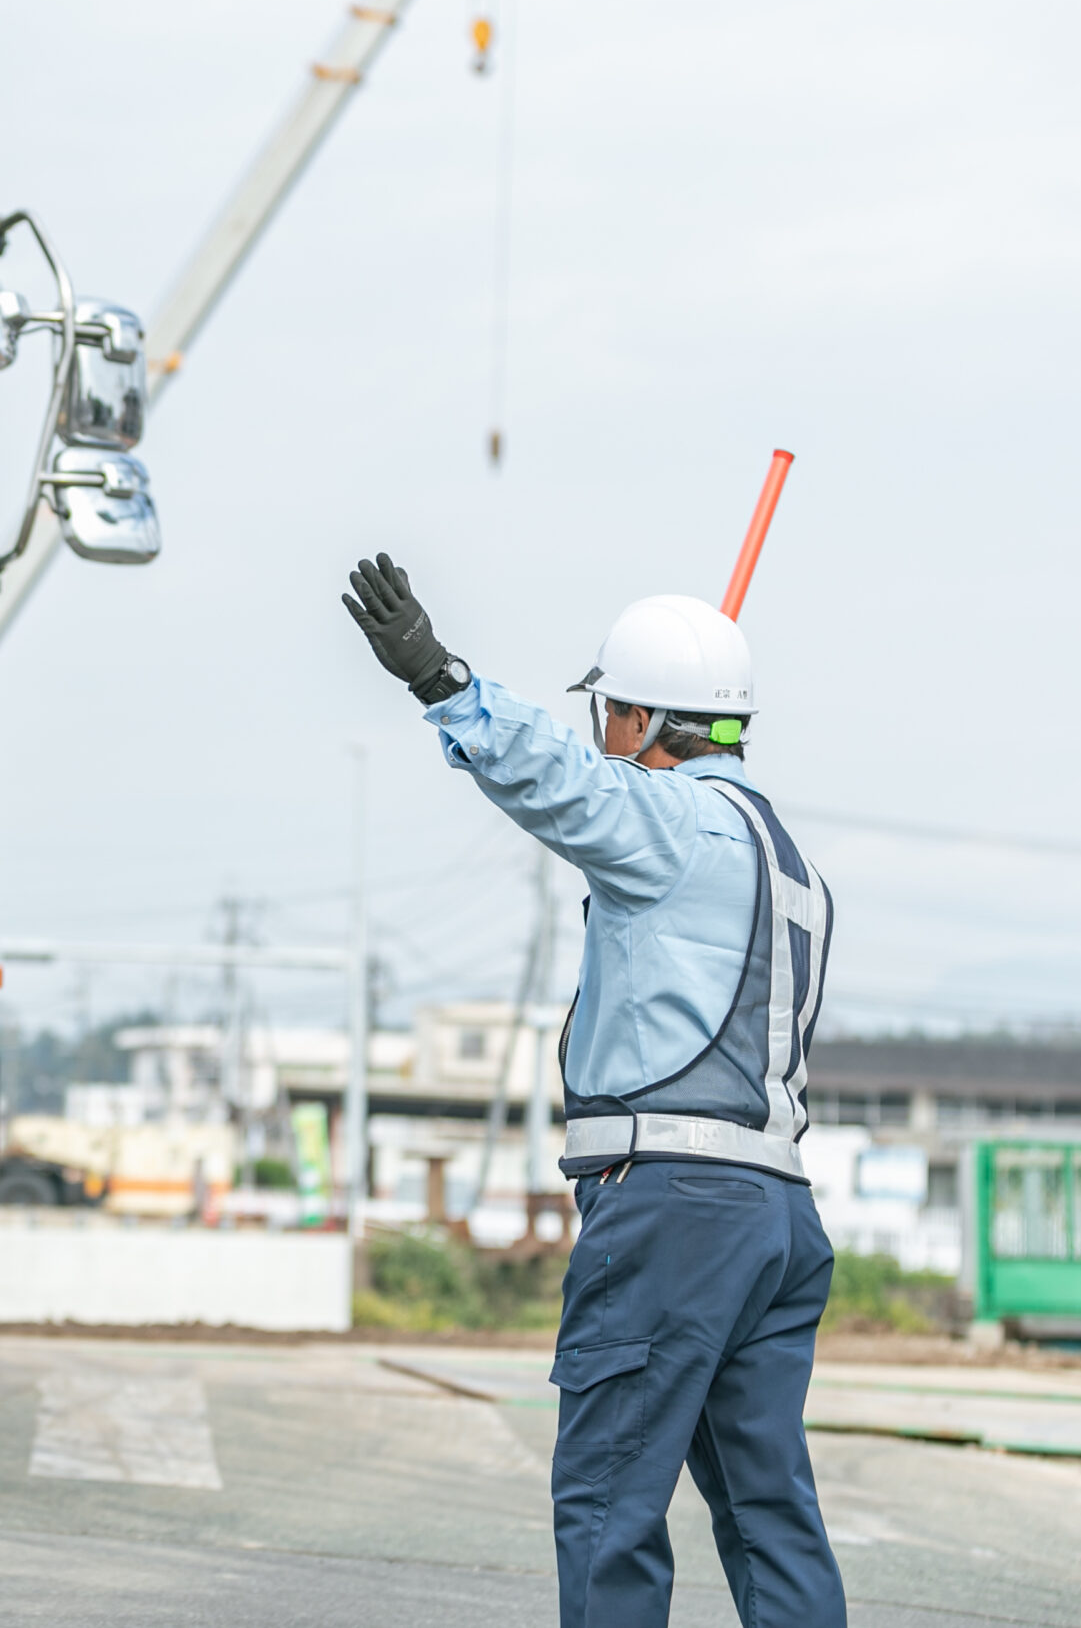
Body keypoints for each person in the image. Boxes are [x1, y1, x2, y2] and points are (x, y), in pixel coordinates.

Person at [342, 553, 844, 1628]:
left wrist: (440, 680)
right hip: (775, 1218)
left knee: (609, 1495)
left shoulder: (673, 825)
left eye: (607, 710)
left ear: (643, 720)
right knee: (768, 1514)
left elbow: (558, 784)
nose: (599, 733)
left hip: (673, 1211)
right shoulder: (793, 866)